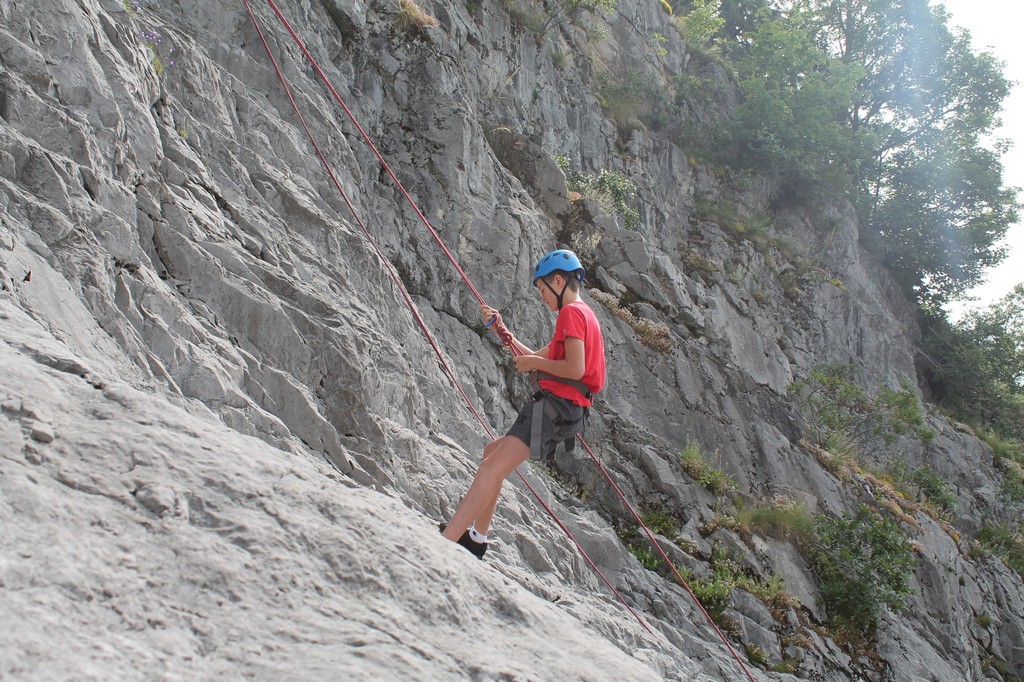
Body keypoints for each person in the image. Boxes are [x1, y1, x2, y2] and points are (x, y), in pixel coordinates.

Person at [441, 249, 606, 559]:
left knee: (492, 467)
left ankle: (447, 542)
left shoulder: (571, 314)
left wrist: (531, 364)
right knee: (493, 453)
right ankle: (476, 537)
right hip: (567, 412)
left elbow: (575, 369)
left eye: (543, 289)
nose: (542, 297)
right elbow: (531, 357)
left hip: (555, 408)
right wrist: (501, 329)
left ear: (559, 280)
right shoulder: (584, 315)